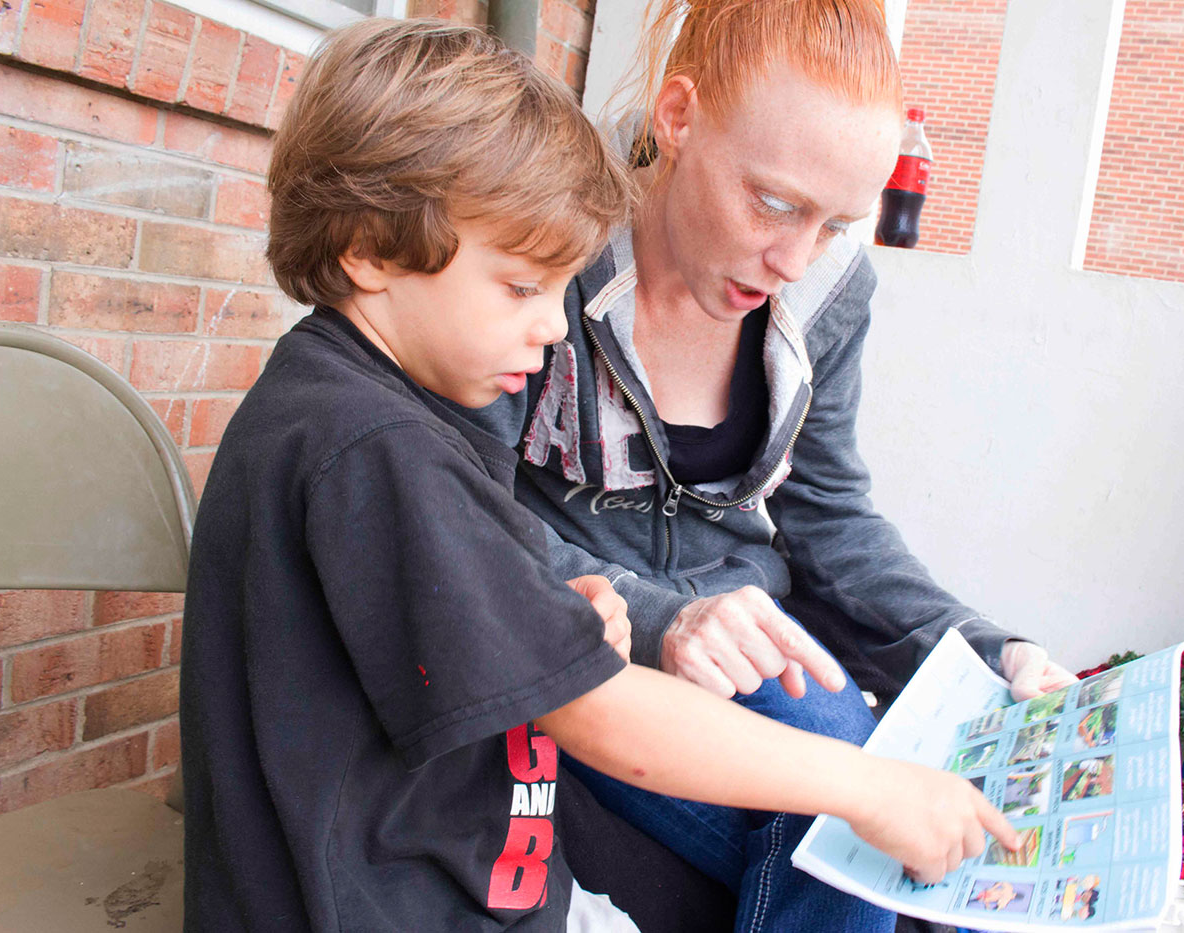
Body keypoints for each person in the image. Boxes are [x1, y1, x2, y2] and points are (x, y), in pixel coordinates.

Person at [178, 18, 1019, 932]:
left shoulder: (352, 416)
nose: (552, 330)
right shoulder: (374, 444)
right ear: (368, 251)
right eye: (521, 288)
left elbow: (463, 594)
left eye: (557, 287)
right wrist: (865, 784)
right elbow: (598, 711)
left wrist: (557, 607)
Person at [462, 1, 1078, 929]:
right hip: (592, 648)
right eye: (775, 203)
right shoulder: (553, 244)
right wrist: (666, 617)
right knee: (867, 829)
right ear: (677, 117)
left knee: (900, 826)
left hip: (759, 657)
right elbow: (463, 509)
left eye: (835, 223)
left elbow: (830, 520)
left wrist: (995, 651)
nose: (794, 259)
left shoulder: (831, 293)